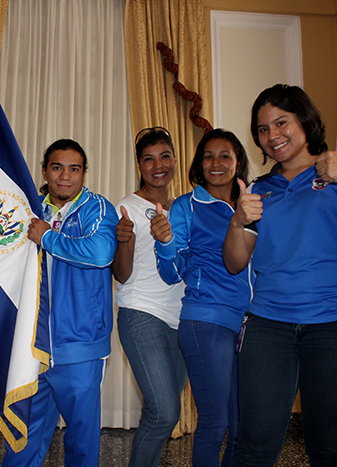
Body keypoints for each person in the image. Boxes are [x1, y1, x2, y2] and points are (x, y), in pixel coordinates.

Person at [223, 84, 337, 466]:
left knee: (328, 449)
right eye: (262, 129)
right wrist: (238, 221)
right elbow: (234, 263)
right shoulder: (259, 189)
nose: (272, 135)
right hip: (268, 327)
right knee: (253, 446)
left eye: (281, 122)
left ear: (304, 120)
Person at [1, 139, 119, 467]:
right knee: (23, 438)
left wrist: (47, 237)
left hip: (79, 347)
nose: (65, 176)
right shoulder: (28, 210)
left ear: (83, 173)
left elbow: (100, 253)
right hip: (32, 345)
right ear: (44, 171)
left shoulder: (97, 208)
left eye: (74, 169)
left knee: (81, 443)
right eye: (57, 168)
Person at [152, 129, 252, 467]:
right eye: (208, 156)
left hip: (250, 324)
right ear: (199, 163)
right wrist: (165, 243)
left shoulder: (252, 204)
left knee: (241, 425)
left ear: (238, 162)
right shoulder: (187, 206)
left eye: (225, 156)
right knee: (215, 422)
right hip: (206, 321)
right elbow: (171, 273)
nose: (216, 163)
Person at [111, 127, 188, 467]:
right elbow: (121, 274)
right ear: (139, 165)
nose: (158, 166)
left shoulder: (185, 207)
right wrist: (123, 240)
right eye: (149, 159)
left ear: (175, 160)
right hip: (141, 313)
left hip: (183, 321)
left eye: (165, 156)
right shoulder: (126, 208)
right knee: (164, 412)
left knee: (161, 413)